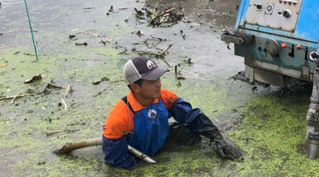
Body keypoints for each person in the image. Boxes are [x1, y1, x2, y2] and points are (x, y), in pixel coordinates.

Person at [102, 56, 242, 168]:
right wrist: (148, 170)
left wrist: (218, 139)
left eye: (158, 78)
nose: (159, 84)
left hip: (161, 140)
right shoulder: (118, 119)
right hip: (136, 151)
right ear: (135, 87)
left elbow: (193, 117)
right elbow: (115, 161)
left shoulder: (165, 96)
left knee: (192, 133)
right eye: (152, 81)